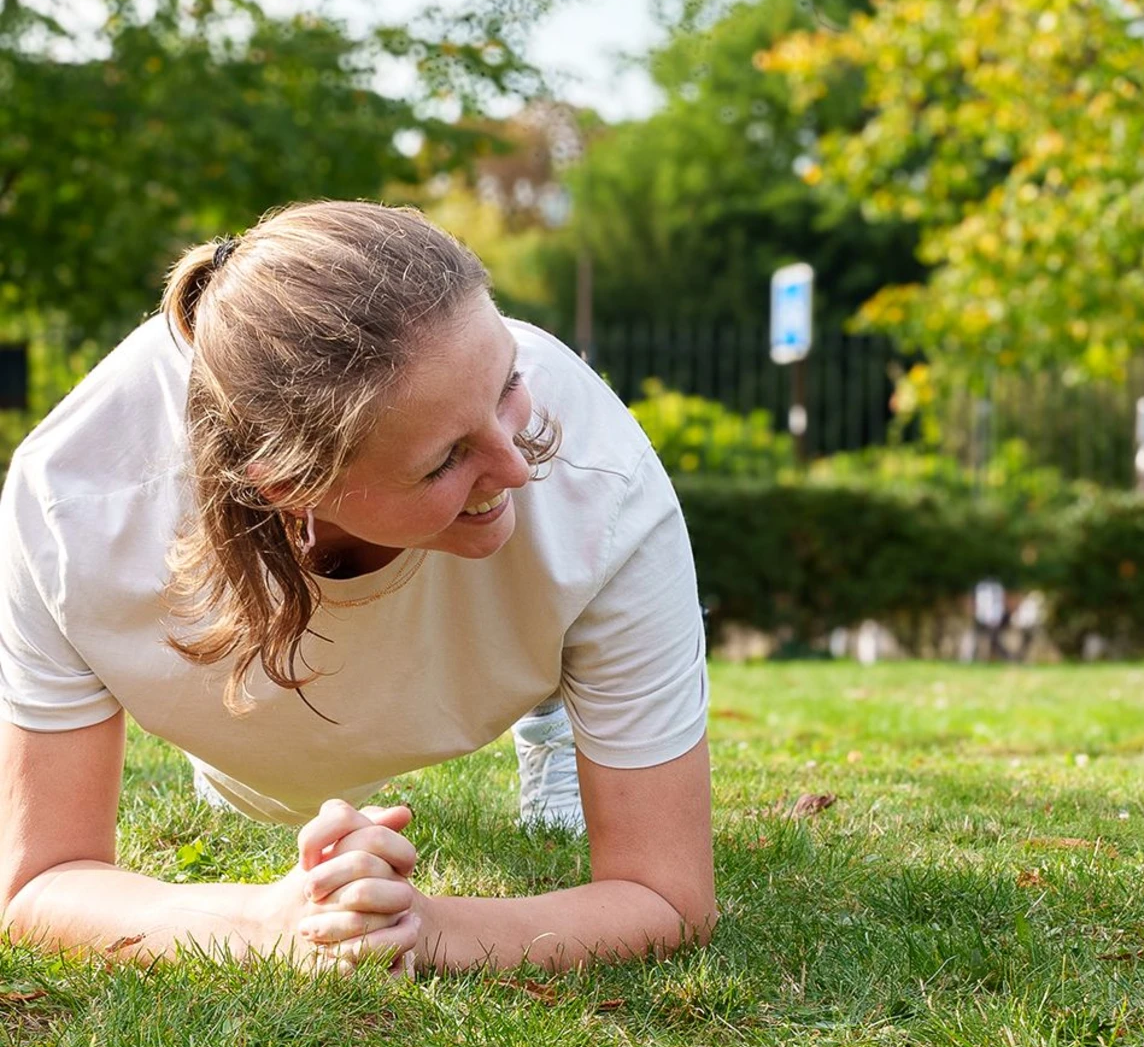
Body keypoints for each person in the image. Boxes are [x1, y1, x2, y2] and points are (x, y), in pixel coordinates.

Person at [0, 201, 715, 972]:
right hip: (242, 722)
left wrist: (427, 929)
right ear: (286, 485)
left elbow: (668, 895)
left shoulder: (599, 479)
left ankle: (553, 715)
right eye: (444, 460)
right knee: (267, 787)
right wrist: (267, 923)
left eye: (508, 383)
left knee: (554, 551)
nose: (517, 467)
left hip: (503, 647)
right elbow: (38, 883)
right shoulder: (76, 509)